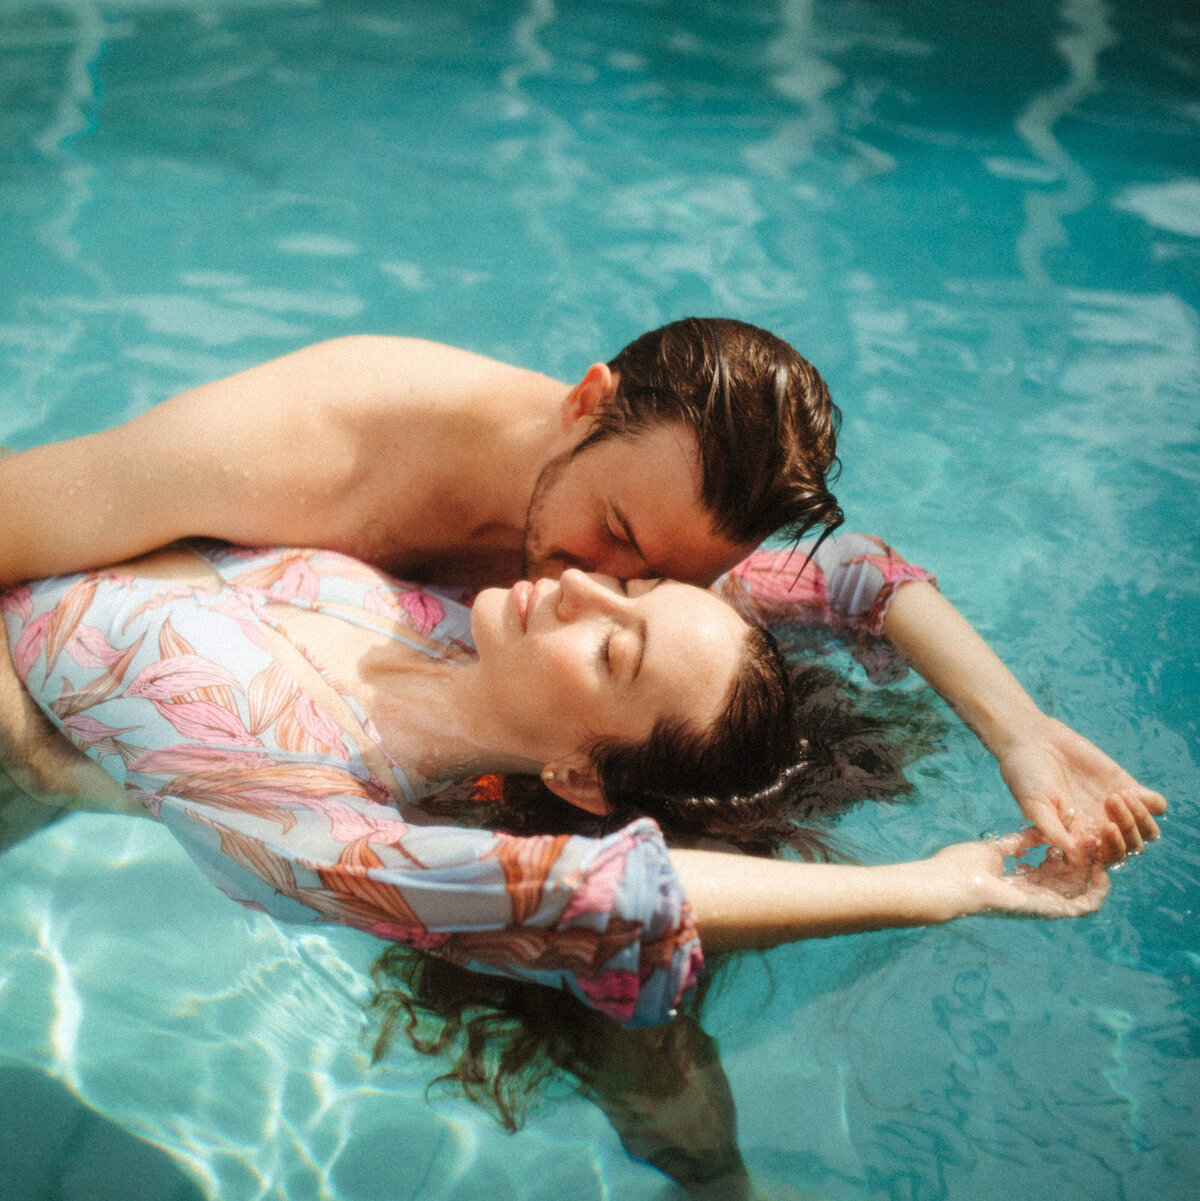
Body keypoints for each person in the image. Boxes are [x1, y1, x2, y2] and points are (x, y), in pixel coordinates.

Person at [0, 320, 1164, 864]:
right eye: (611, 533)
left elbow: (859, 579)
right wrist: (63, 776)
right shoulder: (317, 448)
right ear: (585, 397)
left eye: (658, 578)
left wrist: (1019, 735)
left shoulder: (644, 532)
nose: (596, 586)